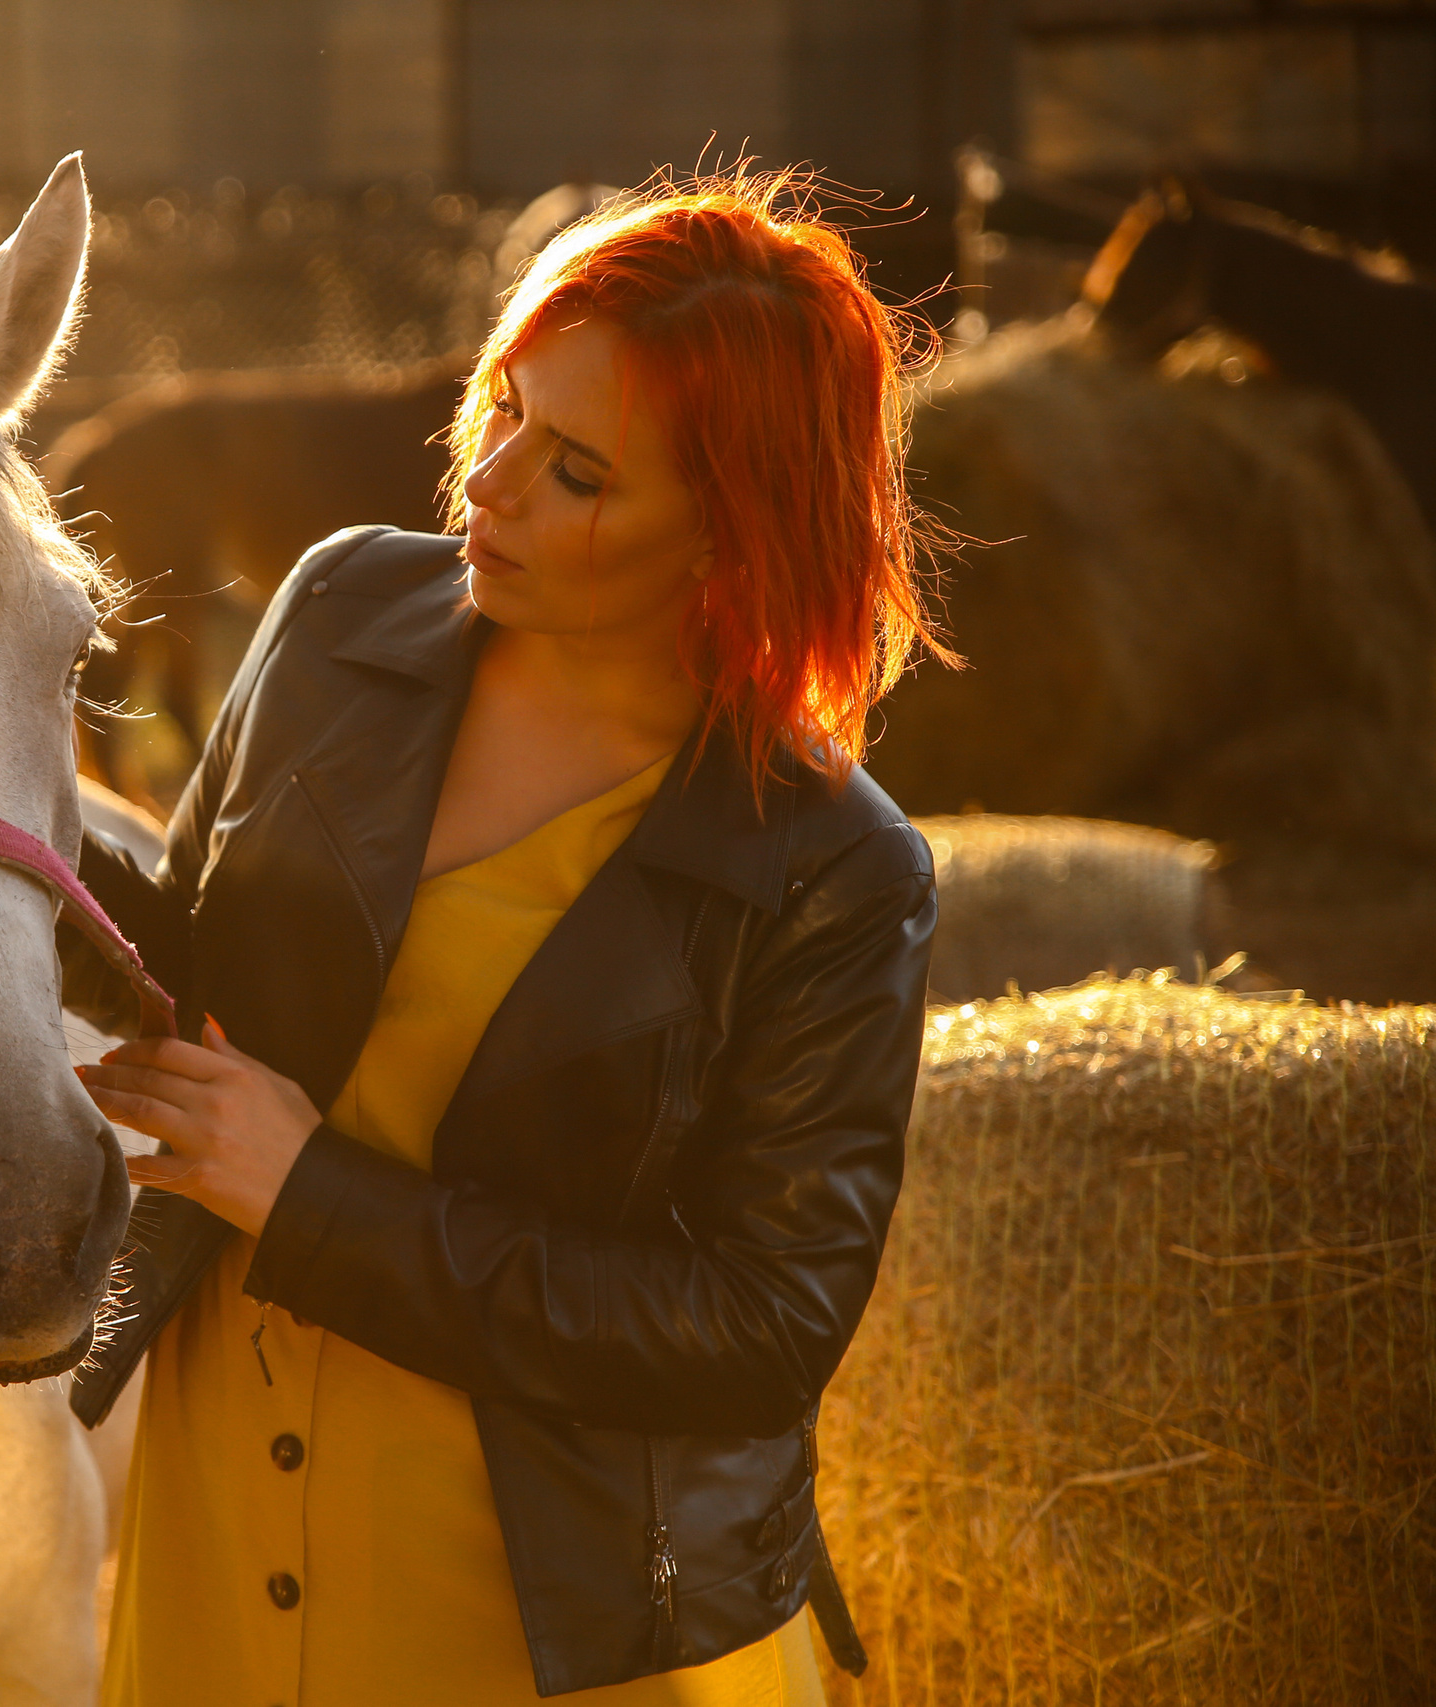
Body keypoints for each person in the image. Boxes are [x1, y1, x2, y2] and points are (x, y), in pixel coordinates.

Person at [65, 171, 954, 1705]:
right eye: (508, 416)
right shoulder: (338, 610)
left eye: (580, 473)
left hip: (563, 1612)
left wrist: (311, 1197)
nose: (490, 484)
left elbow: (759, 1329)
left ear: (731, 536)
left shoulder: (837, 872)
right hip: (218, 1510)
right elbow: (188, 968)